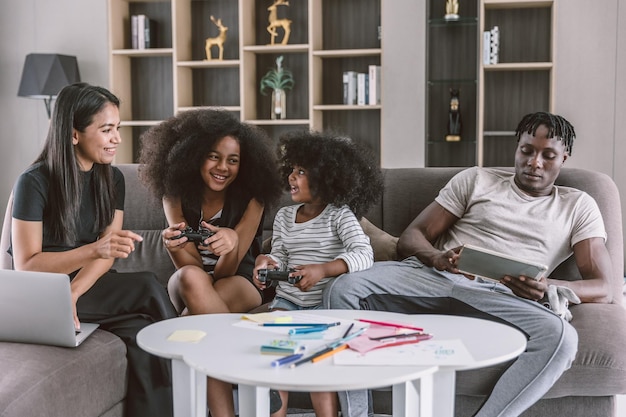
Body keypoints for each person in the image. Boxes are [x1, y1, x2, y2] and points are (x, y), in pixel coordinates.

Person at [323, 111, 614, 417]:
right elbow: (413, 236)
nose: (534, 162)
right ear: (516, 147)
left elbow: (604, 287)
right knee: (342, 288)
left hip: (502, 298)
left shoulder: (578, 205)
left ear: (563, 158)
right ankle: (356, 414)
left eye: (548, 156)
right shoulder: (477, 180)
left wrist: (546, 288)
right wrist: (436, 257)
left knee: (562, 340)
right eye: (527, 151)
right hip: (435, 278)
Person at [9, 82, 178, 417]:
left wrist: (72, 293)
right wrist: (92, 253)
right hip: (42, 292)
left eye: (117, 128)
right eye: (106, 130)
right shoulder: (34, 182)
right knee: (146, 285)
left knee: (143, 338)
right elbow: (26, 266)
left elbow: (107, 252)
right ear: (74, 134)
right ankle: (199, 359)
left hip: (84, 286)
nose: (116, 138)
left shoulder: (111, 180)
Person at [138, 108, 283, 417]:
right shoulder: (174, 193)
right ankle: (246, 374)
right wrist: (173, 246)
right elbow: (187, 266)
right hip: (189, 280)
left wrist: (231, 243)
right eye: (213, 157)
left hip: (238, 280)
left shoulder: (253, 198)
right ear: (193, 156)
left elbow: (227, 271)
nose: (223, 168)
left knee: (201, 321)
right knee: (192, 277)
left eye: (233, 160)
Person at [253, 131, 384, 417]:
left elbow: (364, 254)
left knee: (319, 367)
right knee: (276, 358)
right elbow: (280, 254)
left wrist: (323, 269)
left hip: (323, 307)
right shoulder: (285, 216)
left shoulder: (339, 215)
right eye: (292, 170)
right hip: (286, 302)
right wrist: (267, 262)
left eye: (302, 171)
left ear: (328, 178)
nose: (292, 177)